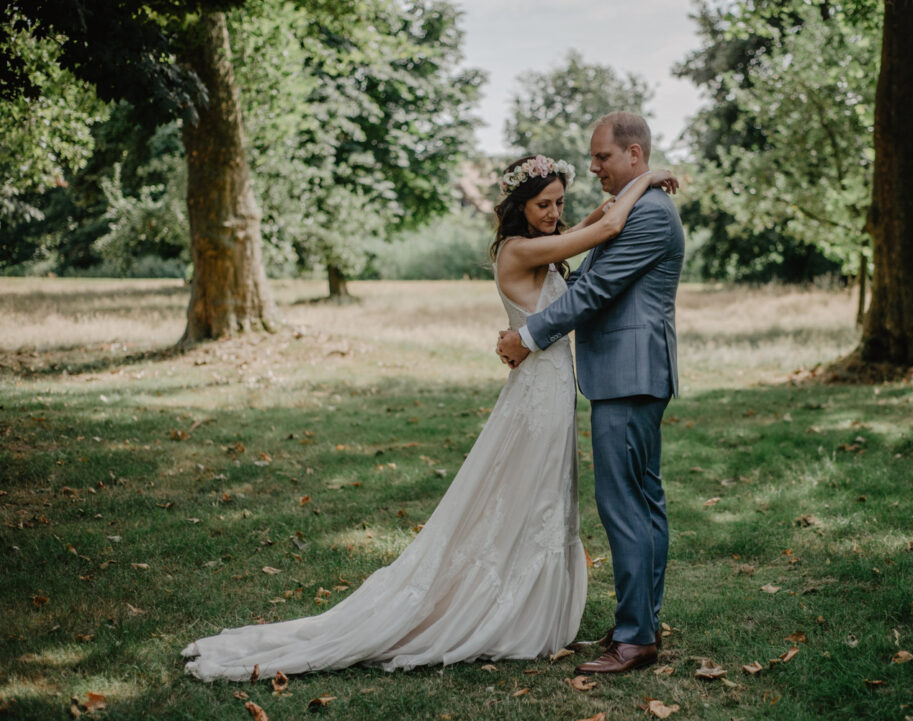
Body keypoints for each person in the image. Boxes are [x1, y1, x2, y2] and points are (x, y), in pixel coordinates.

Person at [181, 153, 677, 681]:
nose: (554, 212)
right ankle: (500, 606)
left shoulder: (541, 242)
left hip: (553, 388)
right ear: (518, 206)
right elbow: (609, 224)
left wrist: (603, 203)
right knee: (524, 493)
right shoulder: (521, 250)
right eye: (542, 204)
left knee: (546, 494)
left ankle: (542, 607)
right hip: (538, 394)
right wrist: (646, 177)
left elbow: (591, 221)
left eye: (558, 202)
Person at [497, 112, 685, 675]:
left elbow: (597, 290)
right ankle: (639, 625)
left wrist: (528, 336)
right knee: (642, 503)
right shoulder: (636, 206)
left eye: (602, 157)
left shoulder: (649, 214)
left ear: (634, 154)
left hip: (631, 376)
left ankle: (635, 639)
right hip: (626, 375)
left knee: (626, 506)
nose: (593, 166)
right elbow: (580, 279)